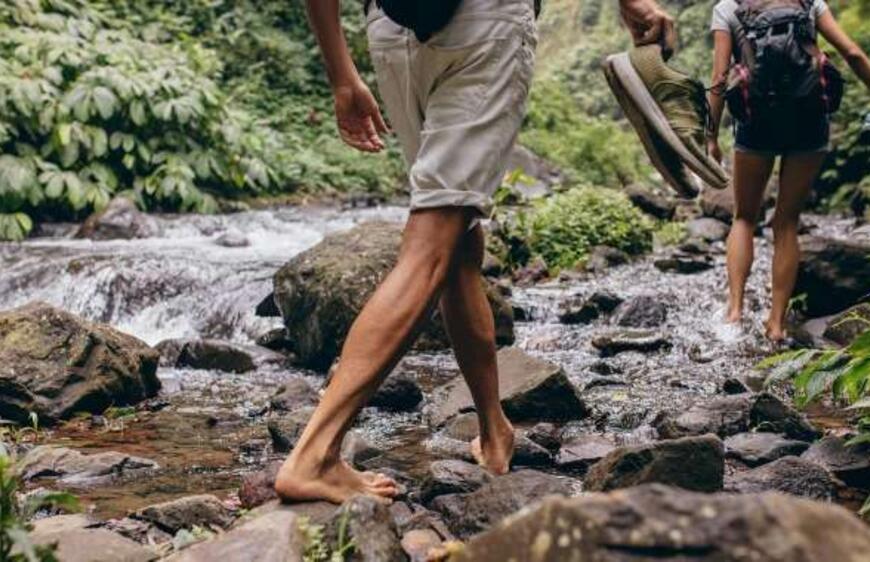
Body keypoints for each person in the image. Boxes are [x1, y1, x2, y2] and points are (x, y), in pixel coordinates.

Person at [275, 0, 678, 505]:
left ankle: (493, 430)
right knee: (431, 244)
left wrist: (341, 74)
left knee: (456, 238)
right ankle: (315, 454)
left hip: (393, 29)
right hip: (485, 25)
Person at [707, 0, 870, 343]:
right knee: (786, 223)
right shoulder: (810, 3)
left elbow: (719, 78)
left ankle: (734, 314)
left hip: (756, 123)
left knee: (743, 219)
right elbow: (853, 53)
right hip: (809, 121)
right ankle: (777, 325)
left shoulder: (728, 8)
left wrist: (710, 137)